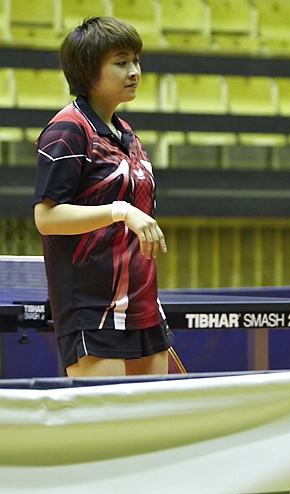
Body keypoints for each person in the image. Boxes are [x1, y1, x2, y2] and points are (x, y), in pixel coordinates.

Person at [33, 16, 170, 377]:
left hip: (143, 306)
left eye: (136, 60)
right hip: (92, 309)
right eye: (121, 62)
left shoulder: (127, 135)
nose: (134, 71)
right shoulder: (68, 129)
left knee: (155, 414)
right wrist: (119, 211)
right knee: (109, 414)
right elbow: (46, 218)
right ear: (88, 69)